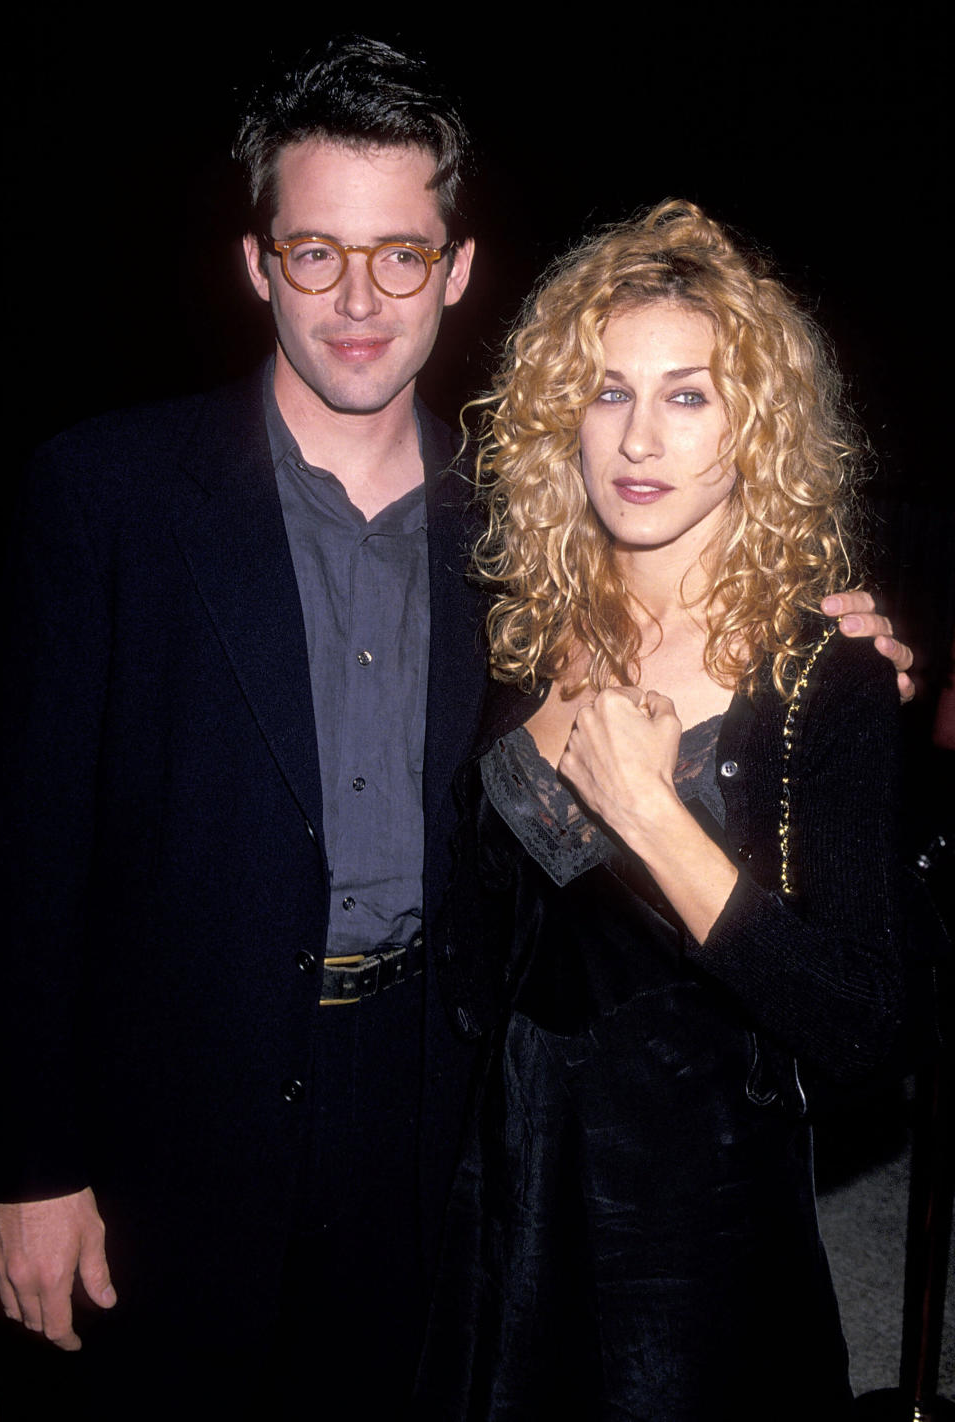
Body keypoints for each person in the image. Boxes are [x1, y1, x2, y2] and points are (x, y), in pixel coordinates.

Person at [0, 41, 909, 1421]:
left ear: (458, 268)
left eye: (401, 254)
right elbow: (27, 858)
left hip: (440, 1114)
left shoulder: (509, 544)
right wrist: (28, 1161)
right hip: (180, 1118)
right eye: (315, 252)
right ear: (258, 263)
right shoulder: (105, 495)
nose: (360, 298)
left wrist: (846, 656)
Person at [417, 200, 920, 1422]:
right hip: (511, 1190)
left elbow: (866, 1032)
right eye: (606, 392)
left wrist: (652, 815)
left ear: (756, 426)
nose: (639, 437)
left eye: (689, 395)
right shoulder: (521, 629)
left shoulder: (825, 680)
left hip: (699, 1232)